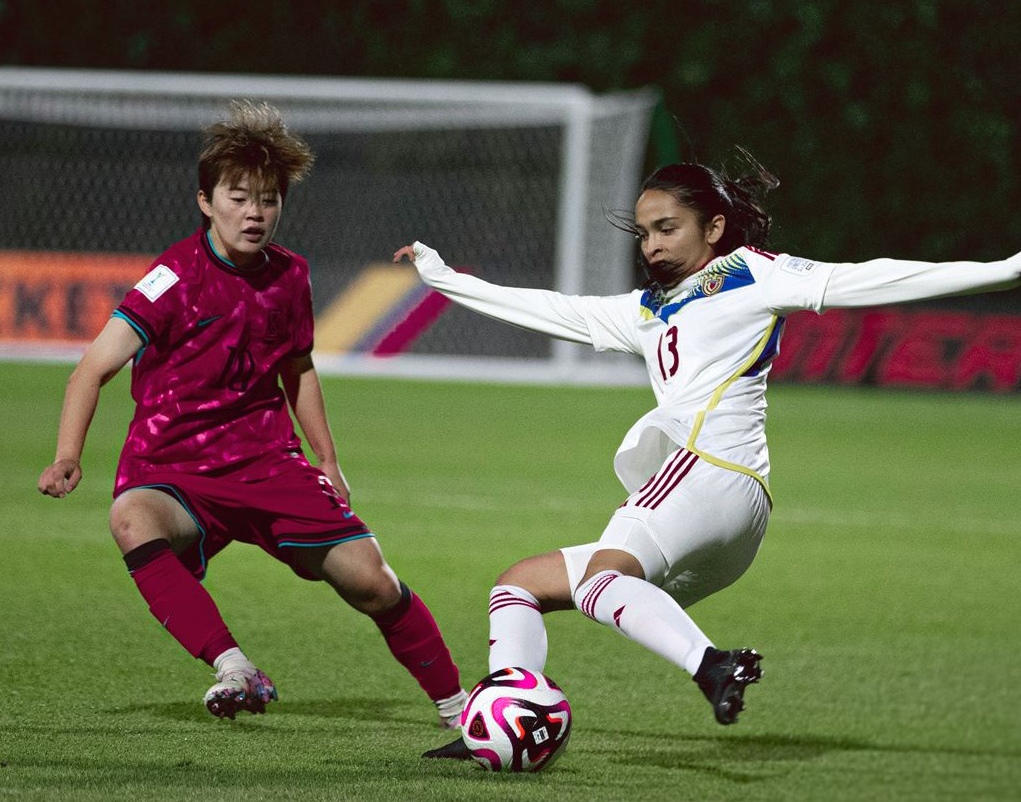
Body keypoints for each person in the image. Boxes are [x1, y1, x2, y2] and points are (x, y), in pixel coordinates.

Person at [393, 148, 1021, 759]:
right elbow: (557, 310)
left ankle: (710, 664)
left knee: (602, 580)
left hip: (707, 470)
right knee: (519, 586)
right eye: (643, 233)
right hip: (735, 508)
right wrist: (444, 277)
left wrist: (1009, 267)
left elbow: (870, 276)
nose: (652, 244)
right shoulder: (647, 310)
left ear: (714, 227)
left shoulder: (754, 273)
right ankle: (501, 718)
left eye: (667, 228)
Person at [38, 100, 466, 728]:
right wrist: (68, 455)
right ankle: (234, 667)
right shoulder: (170, 279)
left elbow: (298, 368)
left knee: (372, 580)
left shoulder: (291, 275)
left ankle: (462, 711)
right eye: (238, 198)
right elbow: (91, 369)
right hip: (173, 466)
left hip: (267, 462)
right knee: (131, 518)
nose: (255, 213)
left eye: (268, 200)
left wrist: (327, 459)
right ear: (205, 201)